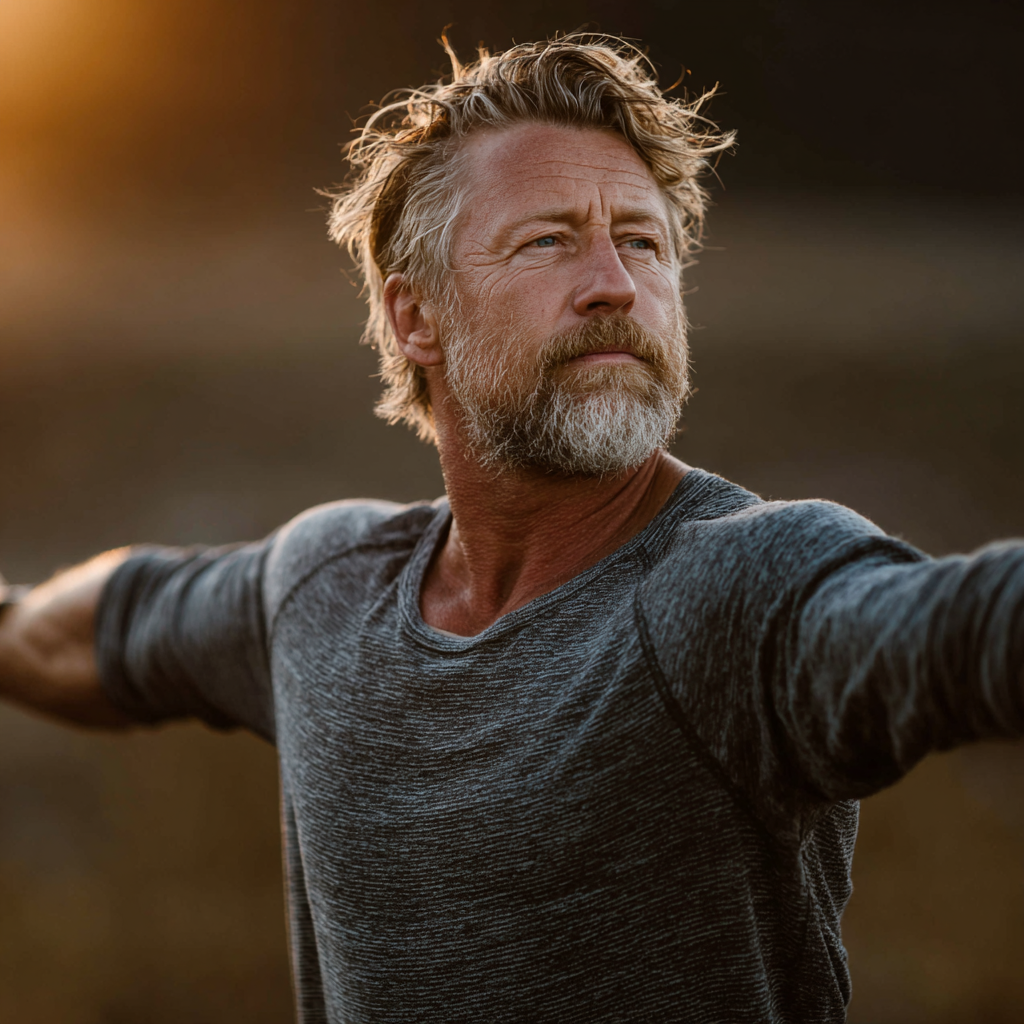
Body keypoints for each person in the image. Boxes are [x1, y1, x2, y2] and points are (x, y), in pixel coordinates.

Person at [0, 33, 1022, 1024]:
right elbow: (84, 629)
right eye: (547, 241)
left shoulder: (737, 584)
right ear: (415, 317)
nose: (616, 285)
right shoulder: (326, 589)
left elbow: (952, 629)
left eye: (642, 242)